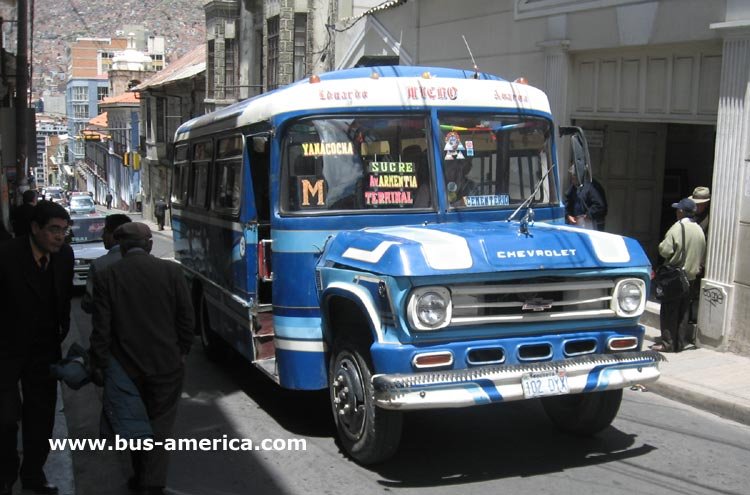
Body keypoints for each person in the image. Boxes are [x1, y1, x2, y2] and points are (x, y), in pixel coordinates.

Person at [89, 222, 194, 495]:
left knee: (133, 424)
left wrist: (99, 363)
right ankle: (152, 484)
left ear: (121, 247)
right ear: (148, 245)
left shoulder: (107, 276)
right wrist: (181, 351)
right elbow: (186, 319)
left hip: (125, 367)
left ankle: (140, 477)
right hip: (166, 365)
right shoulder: (171, 271)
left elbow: (102, 328)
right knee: (160, 427)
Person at [0, 201, 74, 495]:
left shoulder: (64, 256)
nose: (59, 237)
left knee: (41, 419)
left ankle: (33, 474)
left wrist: (62, 329)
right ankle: (5, 476)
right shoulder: (6, 256)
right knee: (5, 420)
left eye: (63, 231)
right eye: (53, 230)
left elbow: (63, 297)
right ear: (34, 229)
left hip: (44, 350)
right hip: (5, 350)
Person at [651, 198, 706, 353]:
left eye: (678, 209)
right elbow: (702, 252)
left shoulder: (677, 227)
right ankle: (679, 343)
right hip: (691, 277)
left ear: (681, 211)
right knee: (683, 311)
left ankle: (667, 343)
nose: (676, 212)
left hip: (675, 276)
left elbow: (665, 250)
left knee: (669, 310)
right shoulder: (698, 229)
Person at [80, 214, 132, 313]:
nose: (102, 236)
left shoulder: (99, 264)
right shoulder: (149, 263)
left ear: (113, 235)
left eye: (105, 232)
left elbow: (89, 303)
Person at [687, 186, 710, 330]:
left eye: (700, 203)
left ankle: (695, 318)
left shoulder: (710, 217)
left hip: (701, 259)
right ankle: (689, 317)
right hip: (691, 257)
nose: (697, 206)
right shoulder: (693, 213)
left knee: (696, 291)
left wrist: (702, 262)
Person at [565, 166, 607, 231]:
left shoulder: (592, 187)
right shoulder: (574, 187)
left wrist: (589, 214)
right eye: (572, 178)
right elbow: (568, 202)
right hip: (577, 225)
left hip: (591, 225)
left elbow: (600, 205)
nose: (573, 181)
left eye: (574, 178)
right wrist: (568, 215)